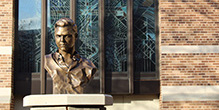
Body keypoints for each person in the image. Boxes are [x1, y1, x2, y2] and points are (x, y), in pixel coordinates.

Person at [44, 18, 97, 94]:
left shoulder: (87, 65)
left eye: (67, 36)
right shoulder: (47, 61)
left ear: (75, 36)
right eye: (58, 36)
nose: (62, 40)